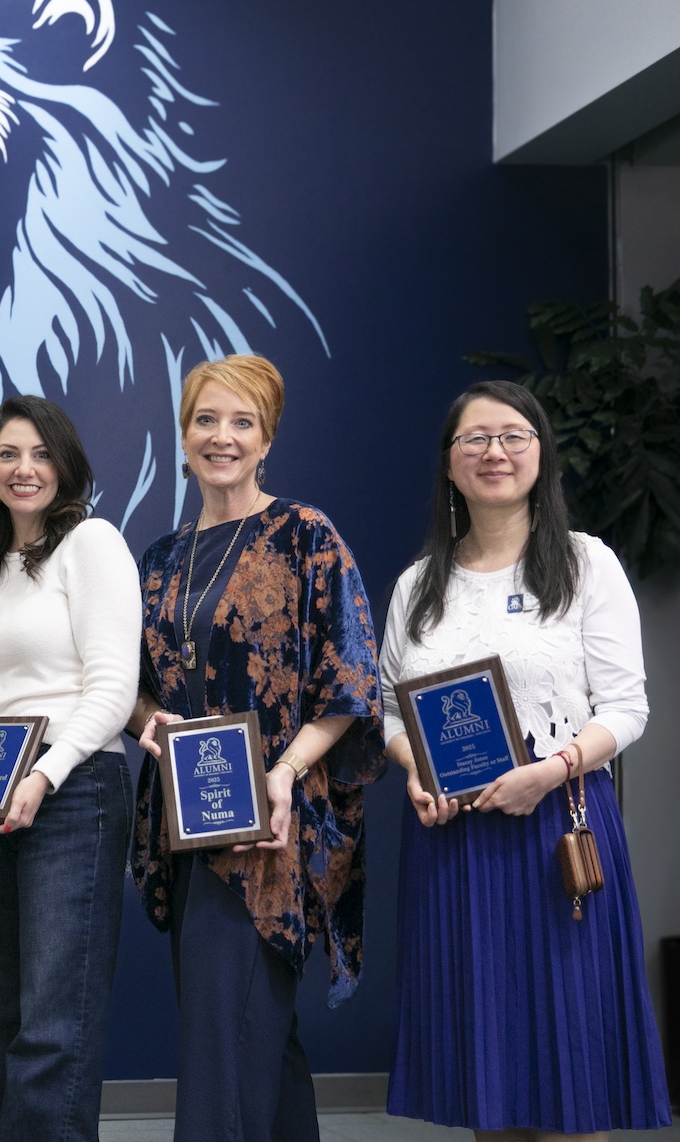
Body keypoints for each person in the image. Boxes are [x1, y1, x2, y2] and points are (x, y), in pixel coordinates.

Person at [382, 380, 670, 1139]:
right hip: (455, 842)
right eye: (474, 439)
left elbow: (628, 709)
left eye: (513, 435)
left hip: (558, 832)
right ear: (449, 464)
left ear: (541, 453)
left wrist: (553, 769)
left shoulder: (584, 565)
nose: (494, 452)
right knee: (492, 1078)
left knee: (572, 1071)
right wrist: (416, 768)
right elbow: (388, 711)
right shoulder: (418, 587)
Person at [128, 354, 383, 1142]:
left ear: (267, 438)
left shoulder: (307, 534)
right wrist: (146, 722)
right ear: (183, 433)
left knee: (223, 1045)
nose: (222, 436)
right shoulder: (161, 559)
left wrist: (283, 773)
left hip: (271, 826)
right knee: (259, 1050)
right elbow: (130, 684)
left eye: (242, 422)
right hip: (185, 820)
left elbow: (351, 680)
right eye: (206, 419)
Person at [0, 395, 140, 1142]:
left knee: (54, 1021)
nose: (25, 469)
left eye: (41, 453)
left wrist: (45, 774)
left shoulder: (93, 544)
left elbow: (112, 687)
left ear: (66, 465)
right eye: (9, 454)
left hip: (74, 791)